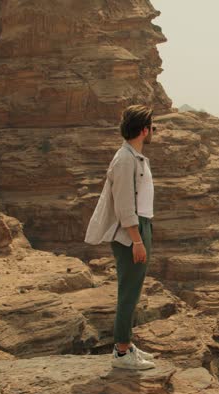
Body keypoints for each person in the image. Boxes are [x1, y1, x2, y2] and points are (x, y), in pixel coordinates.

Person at [84, 105, 157, 370]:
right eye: (151, 127)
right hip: (131, 232)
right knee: (128, 292)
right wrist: (137, 239)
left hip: (141, 226)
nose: (152, 131)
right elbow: (125, 204)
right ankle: (122, 353)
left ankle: (126, 345)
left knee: (133, 290)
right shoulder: (125, 160)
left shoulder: (134, 157)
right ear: (144, 129)